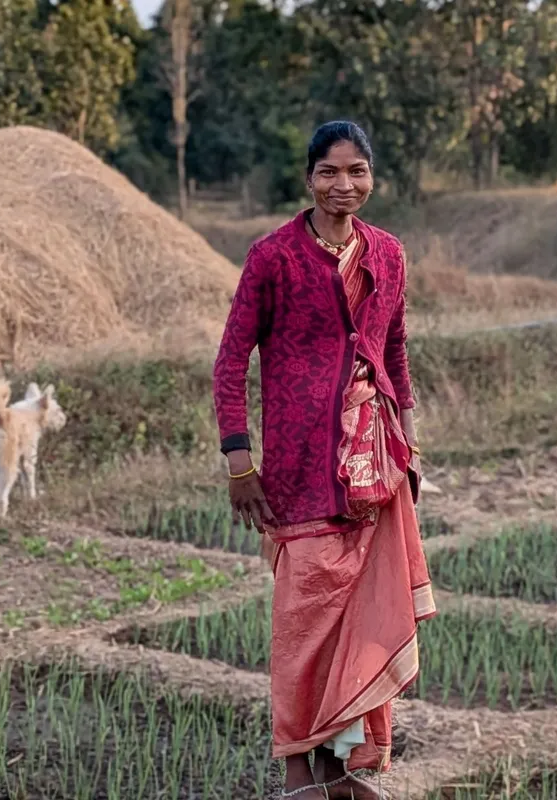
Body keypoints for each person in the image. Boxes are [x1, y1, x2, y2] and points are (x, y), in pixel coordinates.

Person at [213, 121, 436, 800]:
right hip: (299, 468)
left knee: (360, 621)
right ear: (308, 178)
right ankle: (295, 772)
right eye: (331, 172)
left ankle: (341, 767)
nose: (345, 186)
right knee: (305, 623)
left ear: (373, 177)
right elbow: (230, 363)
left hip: (376, 464)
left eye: (358, 171)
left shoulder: (389, 254)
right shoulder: (273, 257)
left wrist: (410, 443)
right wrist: (239, 463)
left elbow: (394, 351)